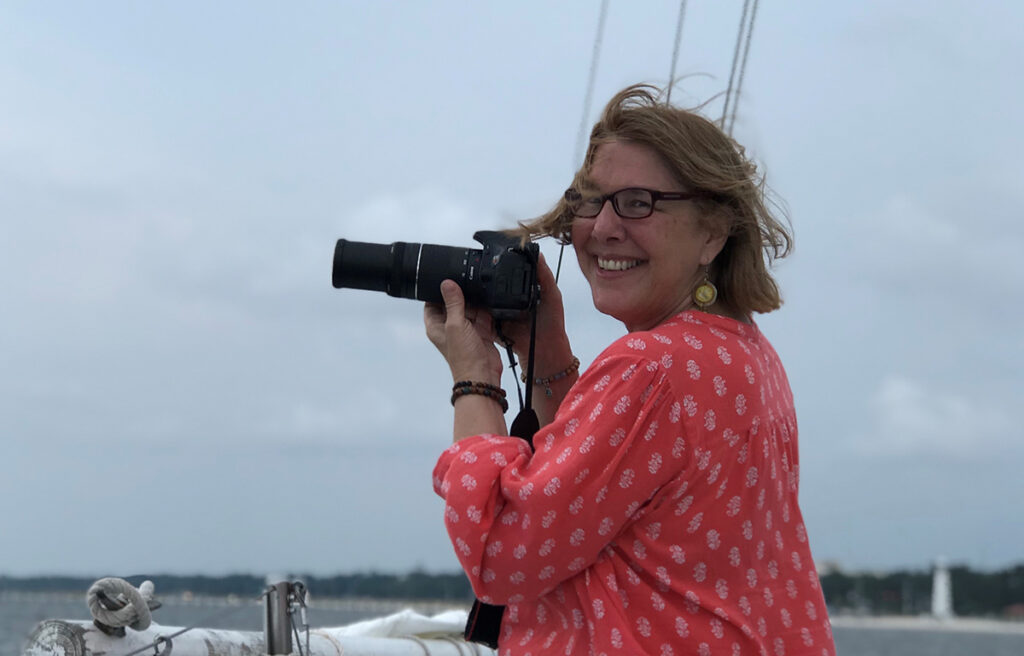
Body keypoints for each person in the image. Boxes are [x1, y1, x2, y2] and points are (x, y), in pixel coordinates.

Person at [424, 83, 835, 656]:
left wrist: (475, 380)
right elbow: (589, 497)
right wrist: (549, 353)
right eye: (590, 201)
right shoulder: (747, 356)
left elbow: (500, 554)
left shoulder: (651, 369)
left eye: (638, 203)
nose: (603, 228)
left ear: (713, 231)